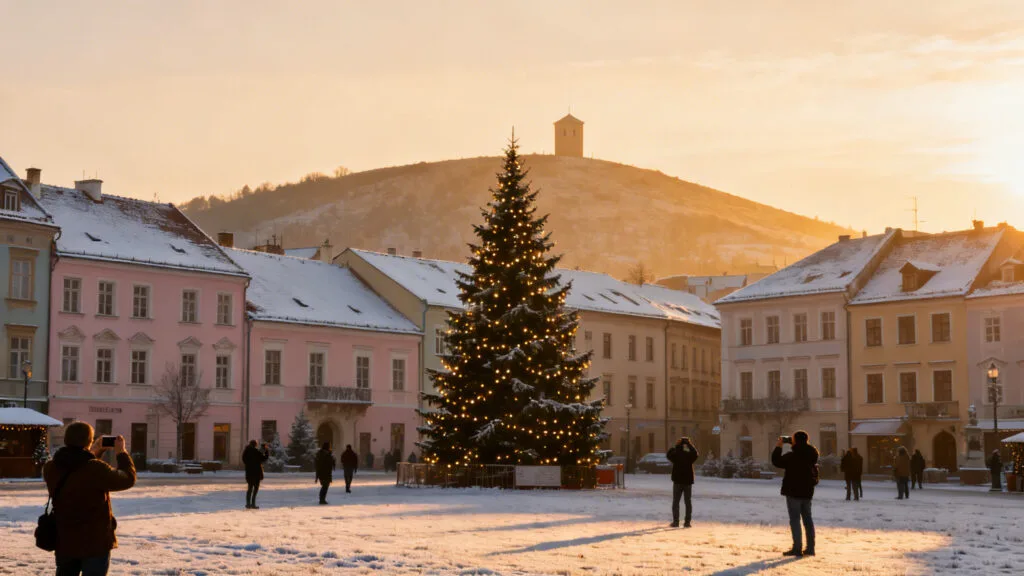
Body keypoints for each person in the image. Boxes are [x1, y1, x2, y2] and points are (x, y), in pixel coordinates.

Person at [43, 421, 136, 576]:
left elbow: (76, 467)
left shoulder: (51, 467)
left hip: (64, 539)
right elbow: (127, 479)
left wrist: (94, 452)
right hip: (94, 541)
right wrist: (121, 453)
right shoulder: (94, 468)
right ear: (89, 441)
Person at [771, 431, 818, 557]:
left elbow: (776, 461)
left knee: (795, 520)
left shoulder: (792, 456)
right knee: (808, 520)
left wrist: (779, 445)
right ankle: (810, 548)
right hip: (807, 491)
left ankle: (797, 548)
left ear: (795, 441)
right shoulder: (812, 454)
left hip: (793, 491)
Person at [666, 436, 700, 528]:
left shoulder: (676, 453)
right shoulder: (689, 455)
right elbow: (696, 454)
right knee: (687, 502)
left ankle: (676, 522)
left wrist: (675, 446)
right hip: (688, 481)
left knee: (676, 501)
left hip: (677, 480)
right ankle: (687, 522)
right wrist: (690, 445)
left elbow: (668, 454)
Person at [242, 440, 270, 509]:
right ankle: (253, 503)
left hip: (249, 473)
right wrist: (266, 451)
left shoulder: (246, 452)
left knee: (250, 488)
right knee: (255, 489)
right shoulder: (256, 452)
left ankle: (248, 504)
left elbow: (244, 460)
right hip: (257, 473)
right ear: (255, 445)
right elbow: (264, 458)